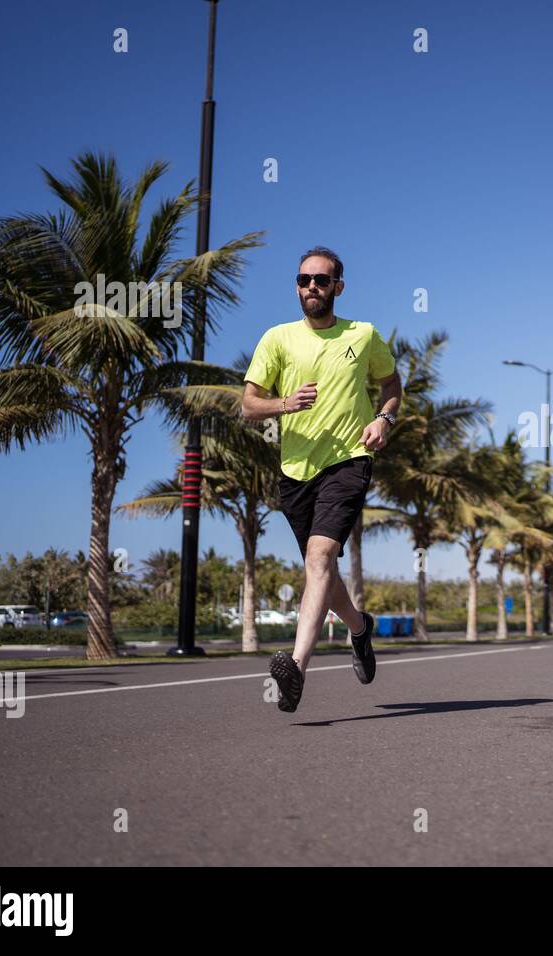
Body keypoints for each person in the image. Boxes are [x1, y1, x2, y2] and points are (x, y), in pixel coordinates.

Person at [241, 246, 403, 712]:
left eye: (322, 279)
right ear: (297, 286)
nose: (312, 286)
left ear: (338, 287)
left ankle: (295, 669)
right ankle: (359, 628)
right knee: (322, 573)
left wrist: (383, 421)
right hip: (295, 470)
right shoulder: (277, 339)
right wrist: (283, 404)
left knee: (319, 556)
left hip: (350, 459)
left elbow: (392, 385)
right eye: (304, 279)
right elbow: (248, 404)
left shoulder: (363, 335)